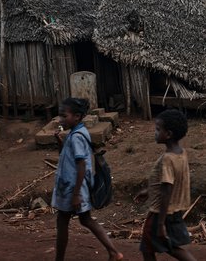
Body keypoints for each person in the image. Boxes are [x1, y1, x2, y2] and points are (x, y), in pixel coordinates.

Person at [52, 97, 123, 261]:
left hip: (72, 188)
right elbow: (69, 157)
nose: (61, 119)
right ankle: (113, 252)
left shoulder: (76, 136)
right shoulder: (78, 132)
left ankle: (59, 259)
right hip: (75, 187)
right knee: (86, 220)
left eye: (64, 116)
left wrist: (76, 194)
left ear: (76, 116)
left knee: (63, 221)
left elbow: (81, 165)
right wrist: (60, 142)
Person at [135, 109, 196, 261]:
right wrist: (149, 190)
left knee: (151, 247)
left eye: (157, 129)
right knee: (166, 246)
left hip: (160, 212)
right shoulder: (181, 153)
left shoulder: (168, 159)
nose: (155, 132)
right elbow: (169, 182)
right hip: (173, 209)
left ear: (168, 134)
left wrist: (161, 223)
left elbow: (167, 189)